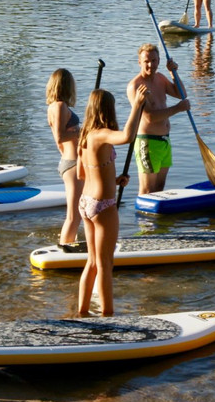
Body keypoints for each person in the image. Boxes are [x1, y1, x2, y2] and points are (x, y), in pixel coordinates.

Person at [76, 86, 146, 317]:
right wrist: (136, 105)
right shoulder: (100, 133)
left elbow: (82, 174)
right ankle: (108, 315)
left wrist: (114, 180)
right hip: (103, 205)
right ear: (108, 110)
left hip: (86, 202)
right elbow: (127, 136)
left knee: (92, 262)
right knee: (106, 264)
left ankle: (82, 311)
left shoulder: (84, 137)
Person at [126, 43, 190, 195]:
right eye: (146, 61)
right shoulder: (135, 86)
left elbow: (181, 94)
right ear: (139, 62)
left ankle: (157, 219)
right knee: (147, 190)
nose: (150, 65)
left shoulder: (160, 78)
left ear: (159, 60)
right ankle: (142, 219)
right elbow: (148, 118)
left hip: (164, 141)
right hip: (147, 142)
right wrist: (177, 109)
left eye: (154, 61)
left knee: (160, 189)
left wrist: (173, 72)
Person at [46, 68, 83, 244]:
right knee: (74, 215)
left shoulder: (53, 107)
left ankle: (70, 243)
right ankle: (65, 248)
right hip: (73, 163)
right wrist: (82, 131)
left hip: (69, 161)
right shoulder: (60, 106)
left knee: (78, 212)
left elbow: (58, 140)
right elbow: (61, 136)